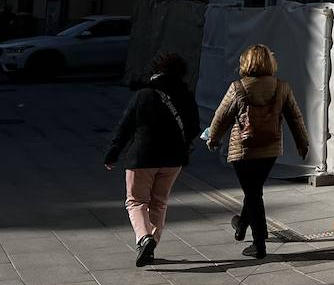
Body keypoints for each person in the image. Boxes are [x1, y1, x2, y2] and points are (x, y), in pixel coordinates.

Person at [205, 44, 309, 259]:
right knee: (253, 191)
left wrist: (213, 139)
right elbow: (295, 116)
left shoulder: (238, 87)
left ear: (246, 62)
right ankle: (242, 224)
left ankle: (259, 244)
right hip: (270, 149)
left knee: (253, 194)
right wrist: (302, 142)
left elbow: (221, 116)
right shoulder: (281, 87)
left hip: (243, 150)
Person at [103, 51, 200, 267]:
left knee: (136, 201)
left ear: (156, 70)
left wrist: (112, 154)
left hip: (142, 157)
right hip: (173, 159)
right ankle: (151, 245)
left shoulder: (145, 94)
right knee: (159, 202)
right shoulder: (186, 95)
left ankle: (144, 238)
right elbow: (193, 127)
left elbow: (125, 127)